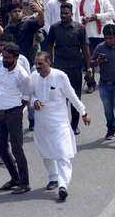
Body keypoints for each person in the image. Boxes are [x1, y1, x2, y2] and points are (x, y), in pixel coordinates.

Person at [29, 51, 90, 201]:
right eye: (36, 64)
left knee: (63, 154)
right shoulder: (34, 77)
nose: (38, 67)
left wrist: (83, 112)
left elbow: (71, 95)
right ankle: (53, 177)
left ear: (49, 62)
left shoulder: (60, 76)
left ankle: (63, 186)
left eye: (40, 64)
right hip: (41, 123)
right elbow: (29, 95)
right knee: (46, 152)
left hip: (59, 123)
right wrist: (34, 101)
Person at [0, 43, 32, 194]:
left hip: (13, 113)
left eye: (8, 58)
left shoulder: (22, 75)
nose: (5, 60)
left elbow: (27, 95)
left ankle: (24, 183)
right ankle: (15, 178)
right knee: (1, 147)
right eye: (4, 56)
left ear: (16, 58)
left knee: (17, 148)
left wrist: (19, 110)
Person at [44, 2, 91, 134]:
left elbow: (85, 49)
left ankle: (74, 125)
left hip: (75, 67)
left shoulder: (80, 28)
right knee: (59, 97)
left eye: (66, 13)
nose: (64, 15)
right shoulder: (54, 28)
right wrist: (50, 63)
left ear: (72, 14)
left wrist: (88, 67)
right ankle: (61, 123)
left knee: (75, 96)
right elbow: (49, 46)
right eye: (62, 13)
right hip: (59, 68)